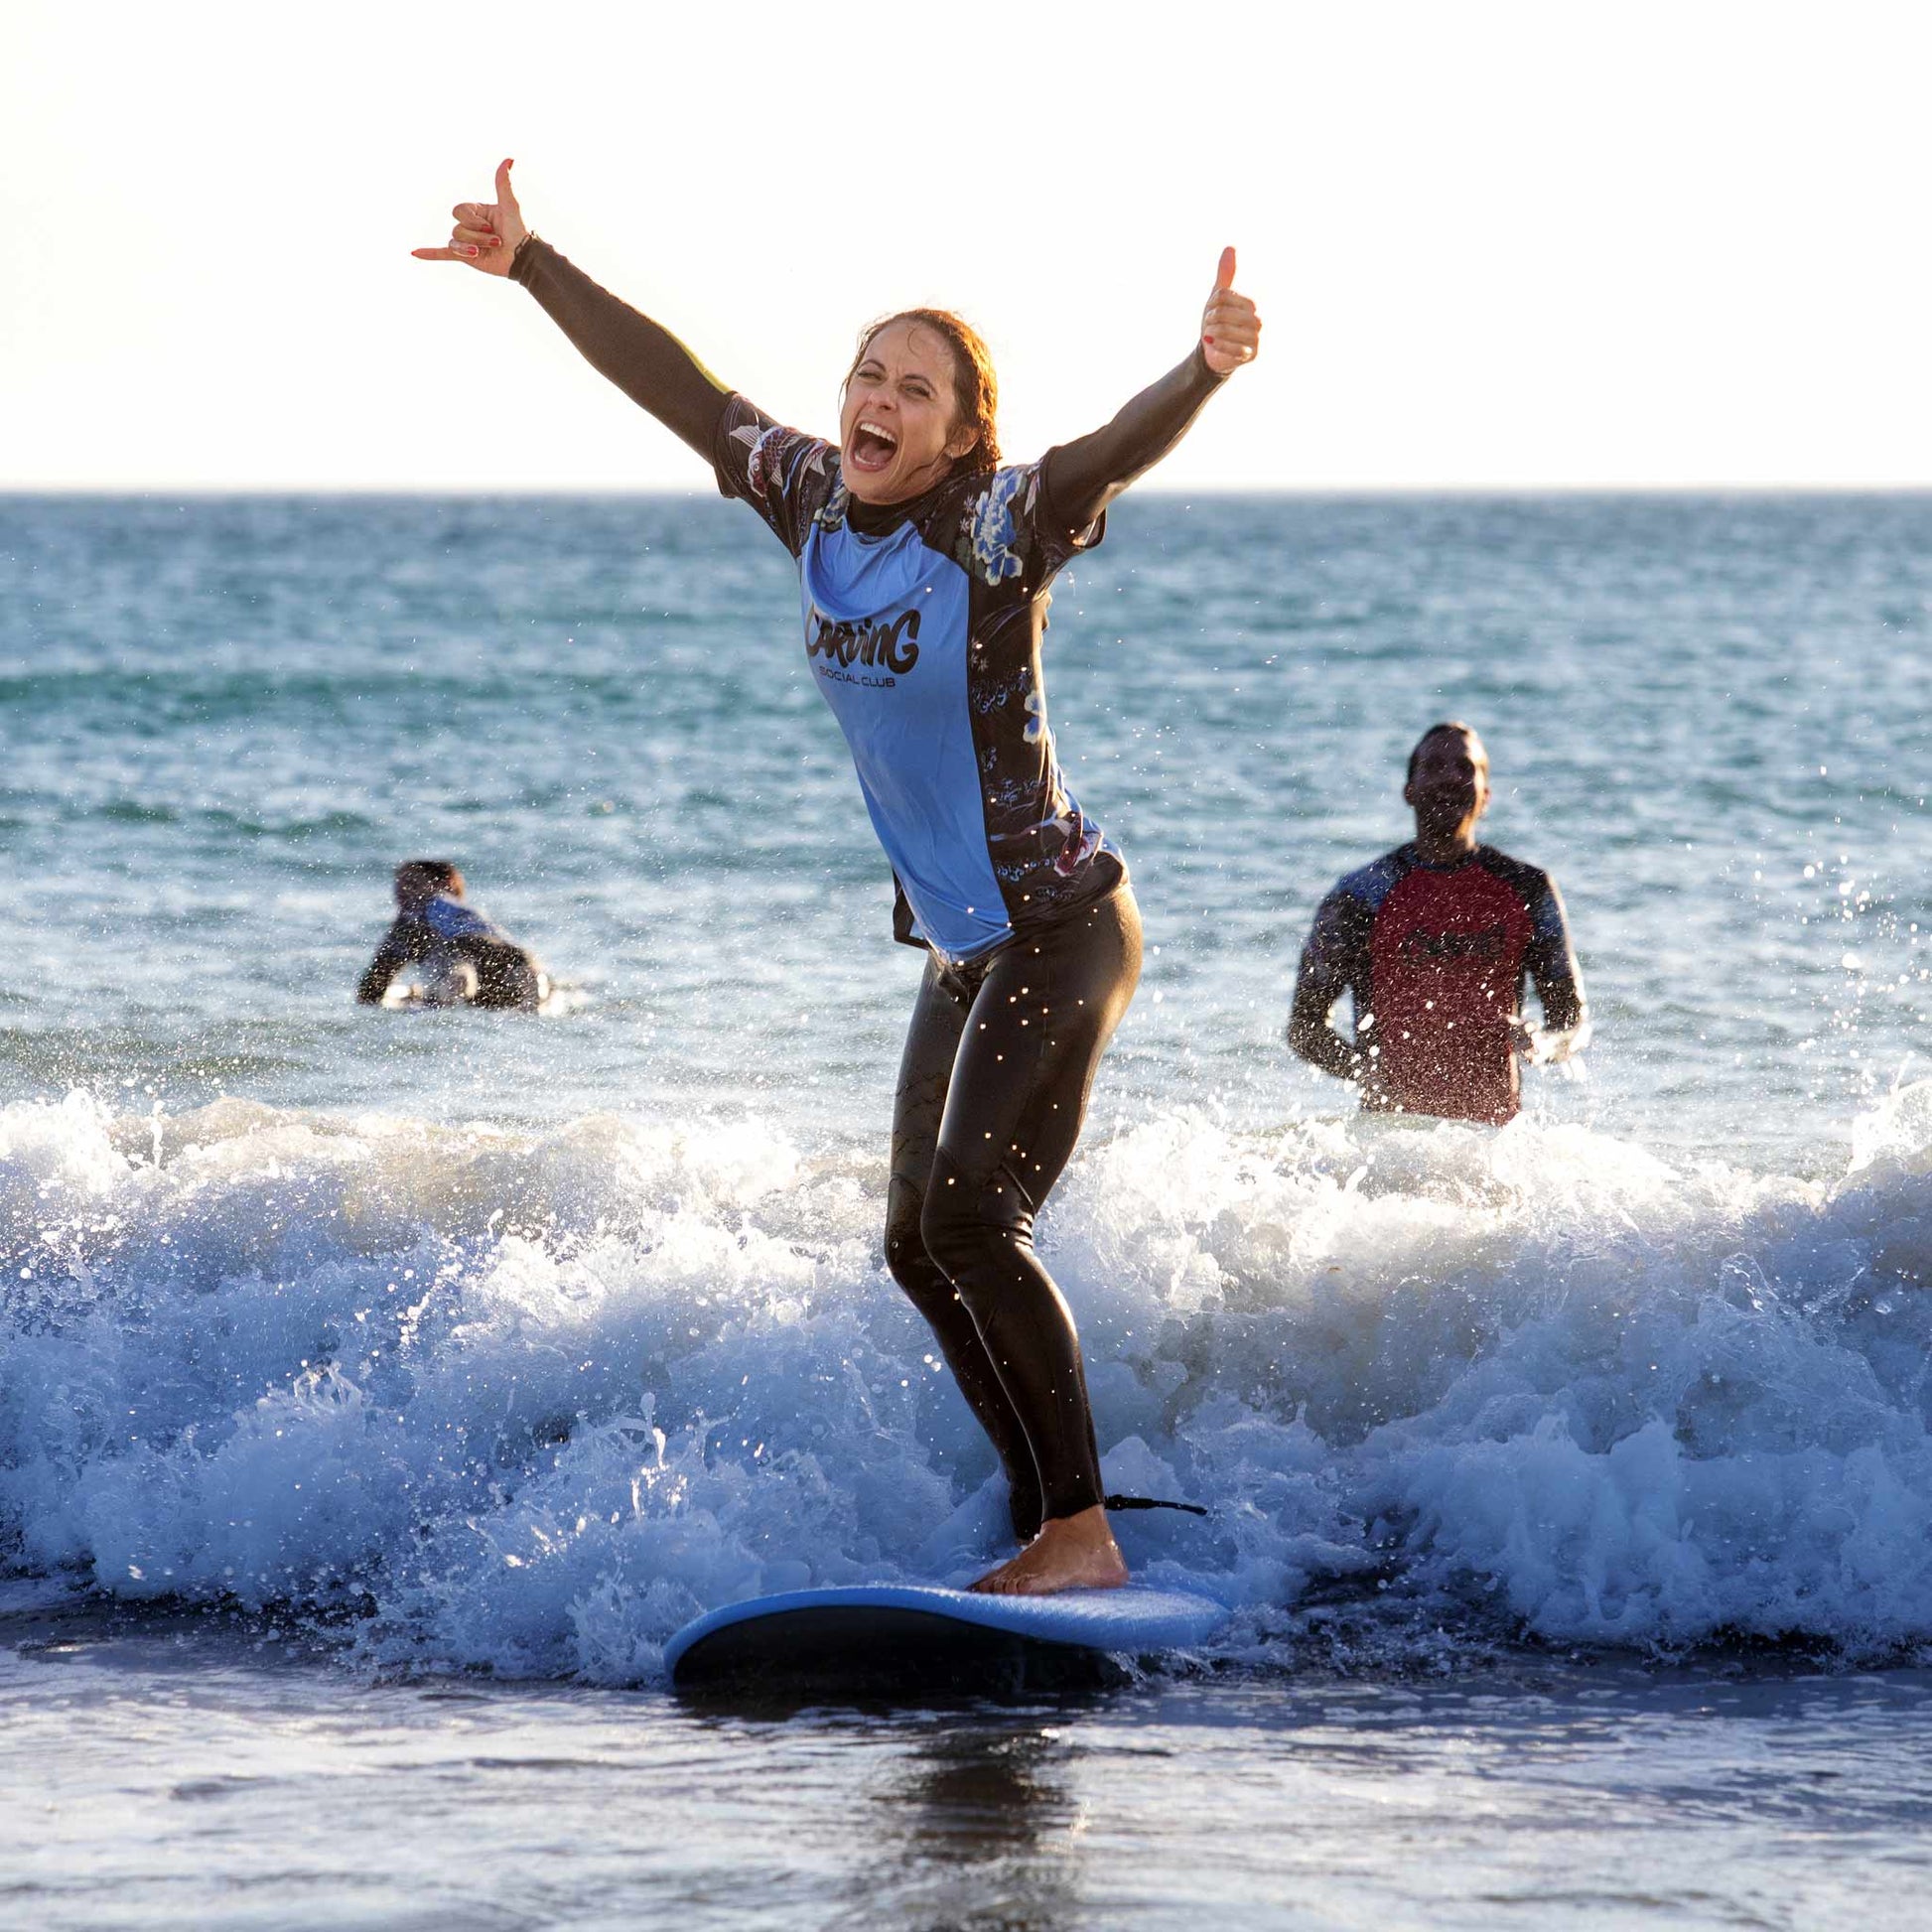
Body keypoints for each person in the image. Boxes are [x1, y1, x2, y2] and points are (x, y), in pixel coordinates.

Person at [415, 161, 1262, 1594]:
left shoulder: (993, 528)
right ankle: (1044, 1503)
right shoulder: (809, 495)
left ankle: (1079, 1530)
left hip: (1061, 930)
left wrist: (1201, 369)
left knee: (969, 1221)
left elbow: (1101, 458)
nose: (878, 399)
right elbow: (675, 386)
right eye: (868, 375)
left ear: (960, 430)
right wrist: (532, 263)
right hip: (963, 948)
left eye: (915, 388)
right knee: (914, 1246)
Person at [1288, 723, 1587, 1125]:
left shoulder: (1527, 888)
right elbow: (1304, 1027)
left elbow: (1572, 1021)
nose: (1449, 776)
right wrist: (1363, 1072)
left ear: (1485, 795)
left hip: (1494, 1145)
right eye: (1433, 766)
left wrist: (1544, 1043)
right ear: (1409, 791)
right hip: (1387, 1142)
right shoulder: (1361, 895)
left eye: (1465, 768)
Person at [355, 860, 547, 1012]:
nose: (401, 893)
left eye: (413, 884)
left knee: (451, 980)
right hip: (523, 973)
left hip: (480, 975)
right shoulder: (465, 912)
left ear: (445, 885)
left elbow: (375, 983)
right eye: (398, 886)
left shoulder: (430, 907)